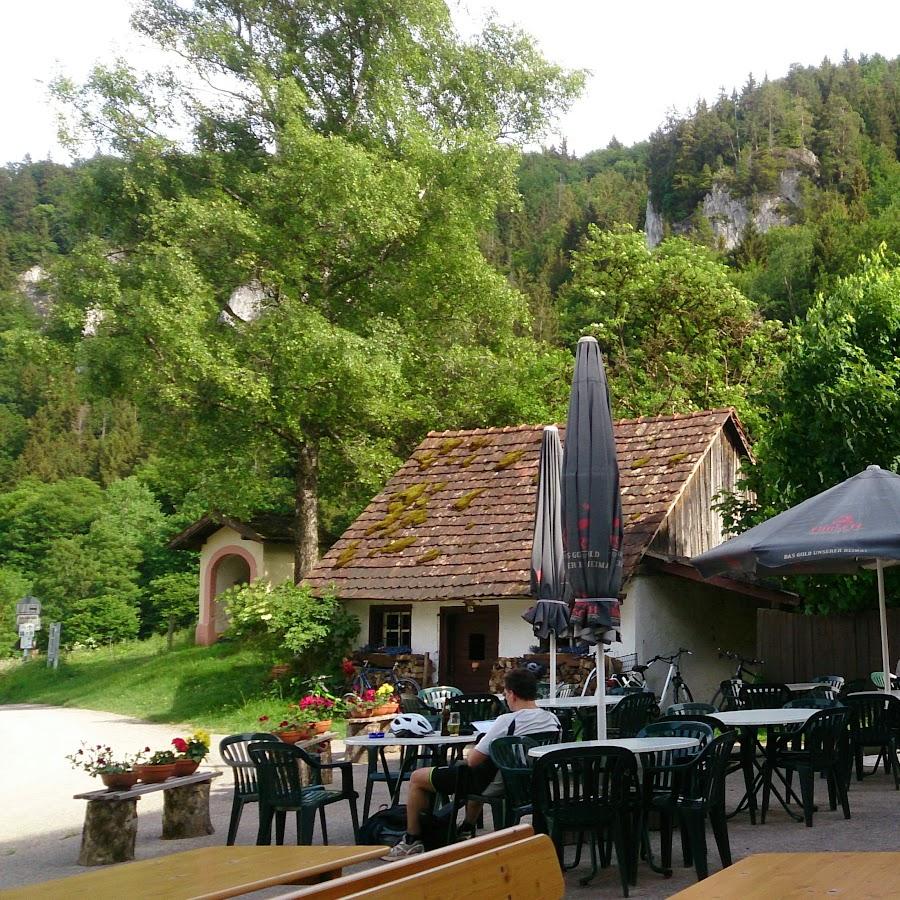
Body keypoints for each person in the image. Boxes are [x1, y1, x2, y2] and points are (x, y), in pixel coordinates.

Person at [381, 667, 560, 860]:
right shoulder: (553, 720)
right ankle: (466, 828)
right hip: (530, 785)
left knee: (419, 777)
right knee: (479, 772)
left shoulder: (507, 721)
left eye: (505, 693)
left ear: (511, 694)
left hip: (496, 785)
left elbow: (473, 760)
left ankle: (412, 840)